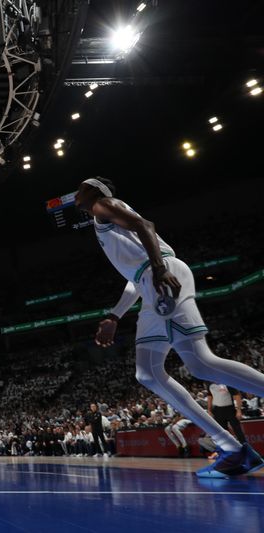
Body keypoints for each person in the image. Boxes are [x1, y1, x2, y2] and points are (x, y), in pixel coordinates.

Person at [76, 177, 264, 478]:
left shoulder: (103, 205)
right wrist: (114, 316)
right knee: (148, 373)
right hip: (148, 280)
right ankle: (230, 448)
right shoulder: (106, 220)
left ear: (94, 191)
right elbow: (134, 279)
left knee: (201, 363)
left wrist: (161, 270)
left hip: (160, 275)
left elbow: (145, 225)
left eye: (81, 187)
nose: (76, 193)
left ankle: (232, 449)